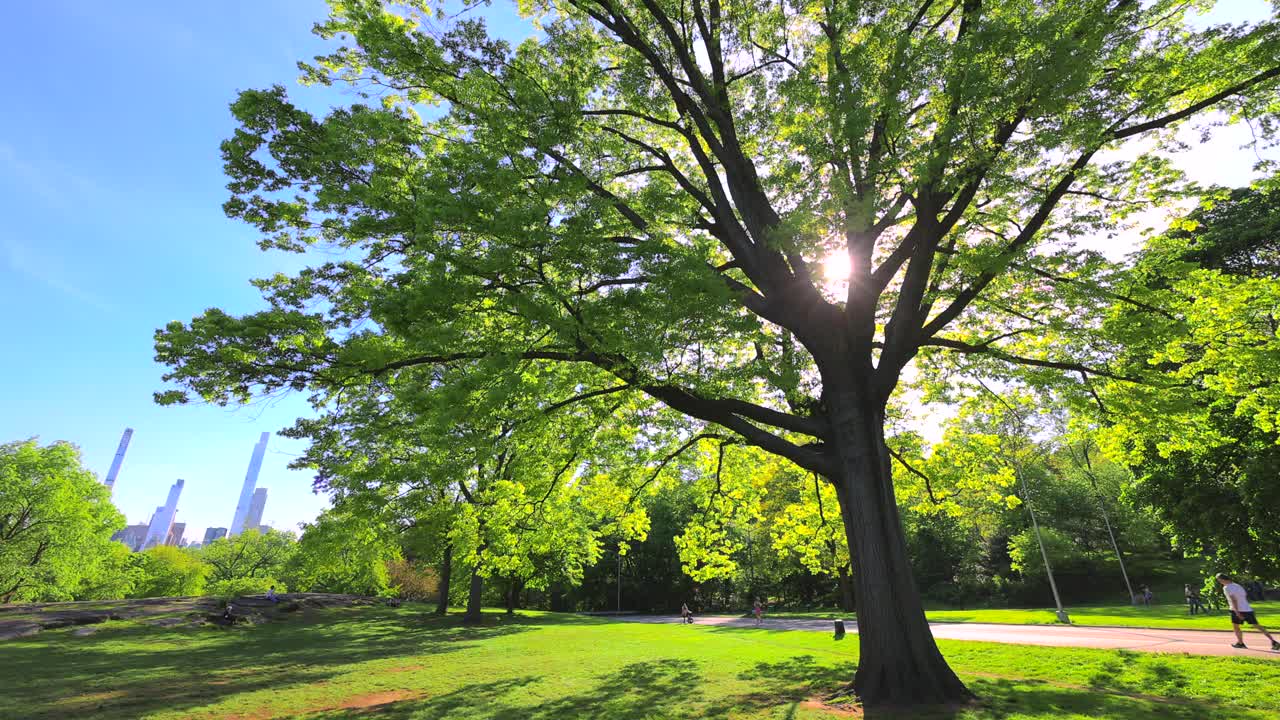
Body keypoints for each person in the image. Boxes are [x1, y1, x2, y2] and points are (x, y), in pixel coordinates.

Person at [1217, 573, 1280, 651]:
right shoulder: (1238, 586)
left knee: (1236, 627)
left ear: (1222, 579)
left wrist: (1237, 612)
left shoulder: (1226, 587)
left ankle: (1240, 643)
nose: (1219, 582)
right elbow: (1244, 595)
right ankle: (1274, 642)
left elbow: (1234, 600)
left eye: (1219, 580)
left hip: (1237, 610)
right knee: (1257, 626)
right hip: (1247, 609)